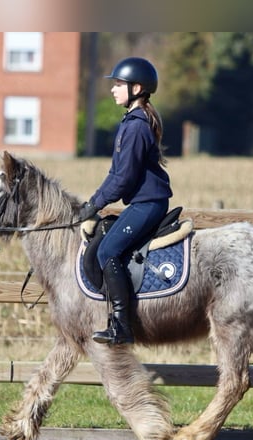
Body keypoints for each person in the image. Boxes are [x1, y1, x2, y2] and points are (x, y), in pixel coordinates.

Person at [78, 56, 173, 345]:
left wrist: (95, 206)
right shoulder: (132, 122)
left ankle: (121, 324)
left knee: (107, 251)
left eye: (119, 84)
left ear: (137, 88)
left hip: (148, 205)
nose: (113, 89)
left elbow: (123, 180)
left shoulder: (135, 126)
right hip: (142, 203)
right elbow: (115, 174)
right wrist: (93, 201)